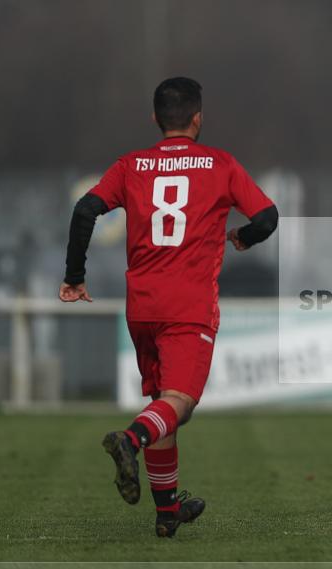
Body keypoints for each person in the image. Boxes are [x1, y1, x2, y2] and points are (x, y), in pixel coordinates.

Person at [59, 77, 278, 537]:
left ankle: (166, 512)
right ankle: (130, 440)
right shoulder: (219, 163)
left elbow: (85, 210)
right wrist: (243, 237)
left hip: (141, 306)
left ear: (156, 119)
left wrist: (74, 277)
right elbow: (267, 217)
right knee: (179, 402)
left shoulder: (131, 165)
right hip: (188, 305)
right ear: (198, 118)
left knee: (165, 405)